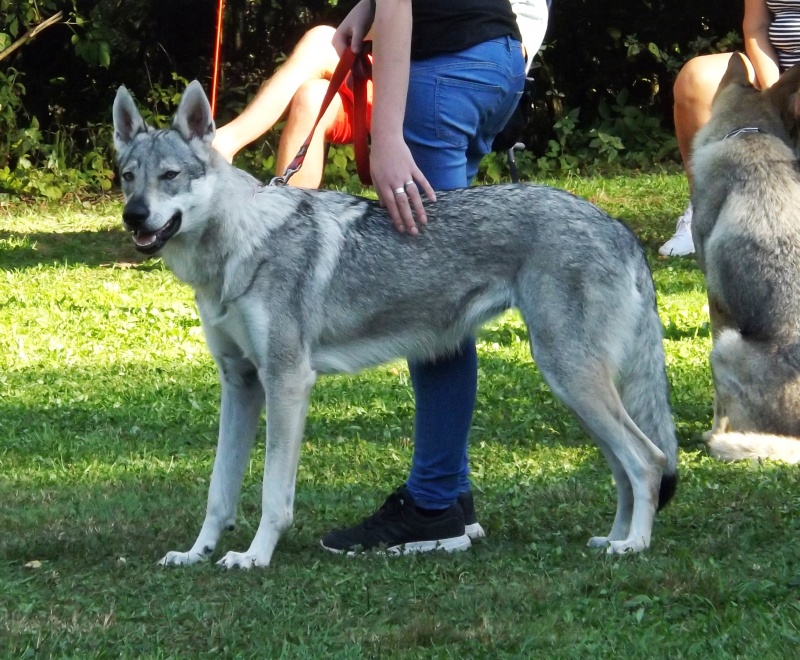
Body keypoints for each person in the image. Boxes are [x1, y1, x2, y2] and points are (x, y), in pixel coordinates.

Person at [318, 0, 549, 555]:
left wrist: (388, 136)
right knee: (450, 286)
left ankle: (434, 503)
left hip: (445, 67)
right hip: (495, 58)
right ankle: (453, 497)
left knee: (433, 295)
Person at [660, 0, 800, 256]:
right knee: (695, 80)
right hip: (778, 72)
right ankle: (705, 209)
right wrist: (774, 90)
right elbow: (756, 28)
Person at [213, 25, 371, 188]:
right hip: (378, 90)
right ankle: (290, 207)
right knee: (311, 97)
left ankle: (223, 144)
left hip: (394, 99)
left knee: (322, 41)